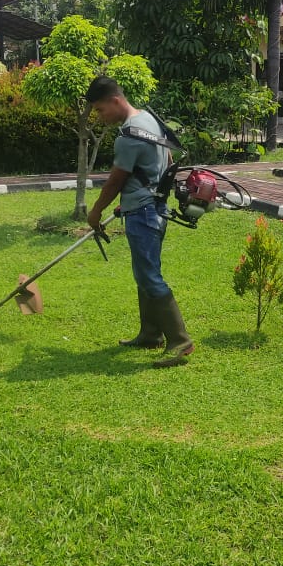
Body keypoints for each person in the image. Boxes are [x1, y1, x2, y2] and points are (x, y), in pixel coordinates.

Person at [85, 76, 194, 368]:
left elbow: (115, 181)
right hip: (154, 207)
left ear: (115, 101)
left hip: (143, 213)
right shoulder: (149, 119)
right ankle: (150, 334)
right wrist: (148, 193)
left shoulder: (128, 136)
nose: (100, 117)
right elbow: (167, 160)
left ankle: (180, 341)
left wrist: (95, 212)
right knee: (145, 272)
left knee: (148, 276)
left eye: (100, 110)